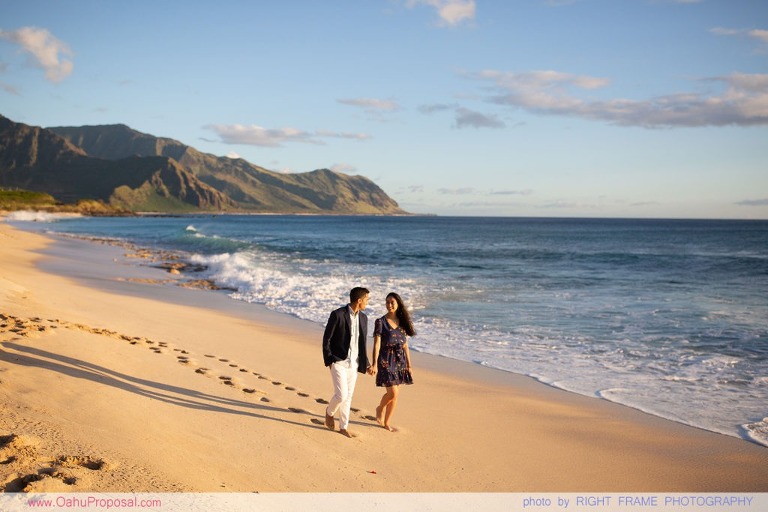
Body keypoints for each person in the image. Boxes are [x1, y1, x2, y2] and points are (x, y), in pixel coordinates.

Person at [322, 287, 371, 438]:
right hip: (338, 362)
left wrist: (367, 363)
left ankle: (343, 427)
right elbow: (327, 339)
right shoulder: (337, 315)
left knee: (348, 397)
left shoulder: (363, 318)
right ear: (359, 300)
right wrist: (330, 360)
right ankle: (329, 413)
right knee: (341, 395)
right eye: (367, 300)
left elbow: (361, 344)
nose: (367, 303)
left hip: (354, 364)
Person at [370, 292, 415, 432]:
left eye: (392, 302)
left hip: (400, 362)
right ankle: (380, 408)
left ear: (398, 304)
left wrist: (409, 365)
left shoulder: (403, 323)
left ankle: (387, 423)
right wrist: (374, 364)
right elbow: (377, 344)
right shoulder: (380, 322)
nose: (389, 305)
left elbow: (405, 345)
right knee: (393, 393)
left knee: (395, 396)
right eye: (387, 302)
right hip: (385, 361)